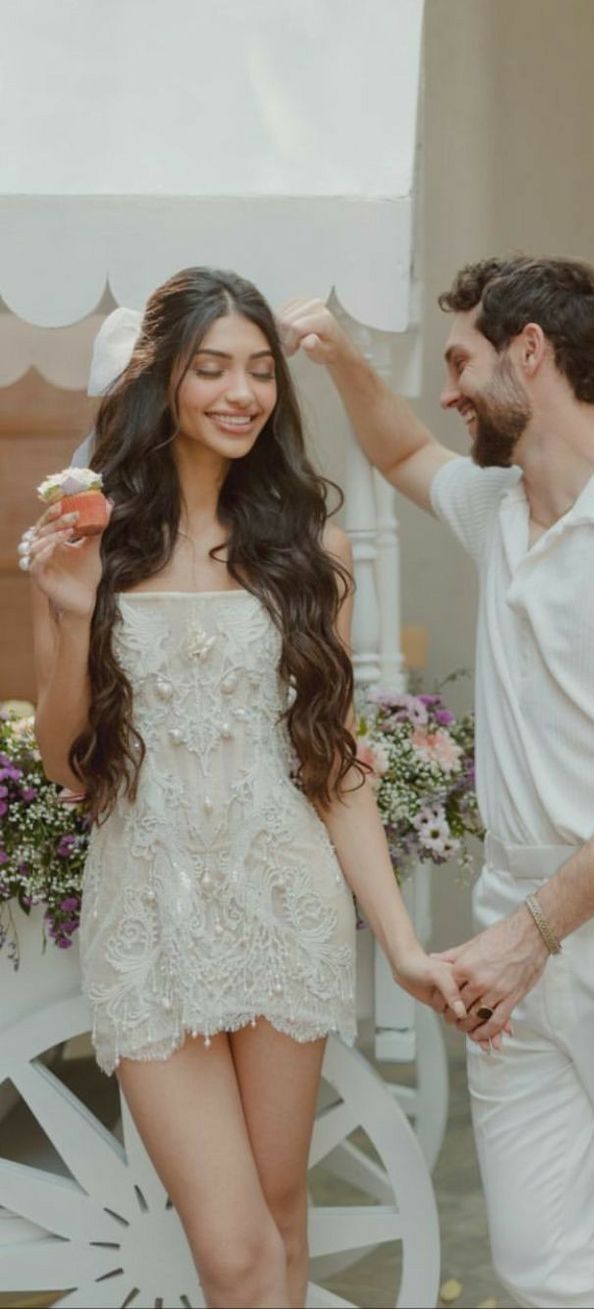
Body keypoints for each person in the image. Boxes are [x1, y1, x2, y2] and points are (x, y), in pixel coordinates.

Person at [279, 256, 594, 1309]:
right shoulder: (495, 506)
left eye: (459, 361)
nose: (447, 392)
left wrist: (534, 931)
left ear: (529, 353)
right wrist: (344, 358)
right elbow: (397, 445)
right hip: (511, 931)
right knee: (535, 1262)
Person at [20, 266, 465, 1309]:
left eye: (261, 370)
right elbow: (61, 766)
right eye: (212, 367)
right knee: (233, 1250)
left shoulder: (313, 550)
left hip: (283, 905)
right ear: (162, 380)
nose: (241, 392)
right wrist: (75, 610)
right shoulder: (92, 548)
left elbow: (330, 763)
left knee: (280, 1214)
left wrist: (399, 943)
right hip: (148, 921)